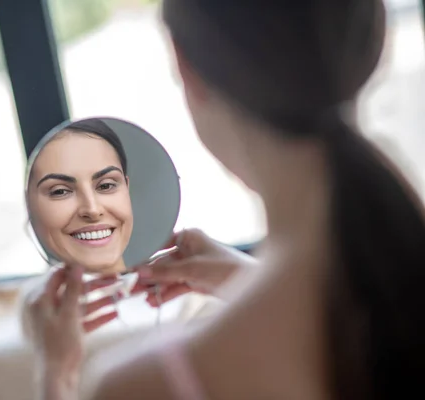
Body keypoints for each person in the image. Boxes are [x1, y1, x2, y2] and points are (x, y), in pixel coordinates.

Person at [24, 1, 425, 399]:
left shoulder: (149, 385)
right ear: (374, 40)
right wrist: (244, 278)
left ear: (186, 68)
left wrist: (56, 374)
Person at [26, 118, 134, 275]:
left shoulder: (180, 292)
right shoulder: (25, 299)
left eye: (106, 186)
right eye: (60, 191)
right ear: (29, 204)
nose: (92, 210)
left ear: (127, 188)